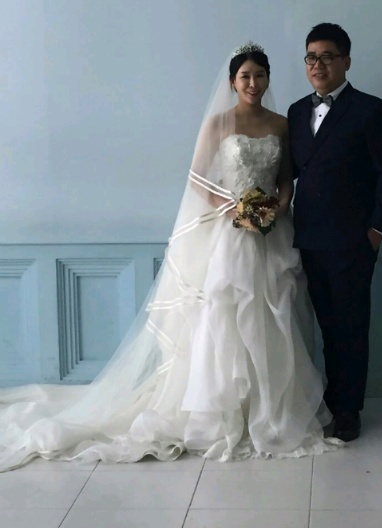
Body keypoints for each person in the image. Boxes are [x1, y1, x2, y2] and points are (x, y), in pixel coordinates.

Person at [0, 42, 341, 472]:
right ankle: (222, 414)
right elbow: (197, 177)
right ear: (232, 82)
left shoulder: (280, 123)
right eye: (245, 77)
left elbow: (287, 178)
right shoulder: (219, 123)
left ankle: (271, 411)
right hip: (229, 232)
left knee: (274, 316)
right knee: (226, 315)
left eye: (259, 75)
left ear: (268, 78)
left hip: (272, 233)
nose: (253, 83)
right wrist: (235, 208)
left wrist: (276, 207)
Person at [288, 23, 382, 442]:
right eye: (311, 57)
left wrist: (376, 230)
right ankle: (328, 402)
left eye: (327, 57)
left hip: (354, 239)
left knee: (350, 328)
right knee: (322, 325)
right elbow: (291, 171)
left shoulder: (370, 109)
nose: (318, 65)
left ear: (346, 61)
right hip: (308, 237)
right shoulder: (296, 112)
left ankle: (348, 410)